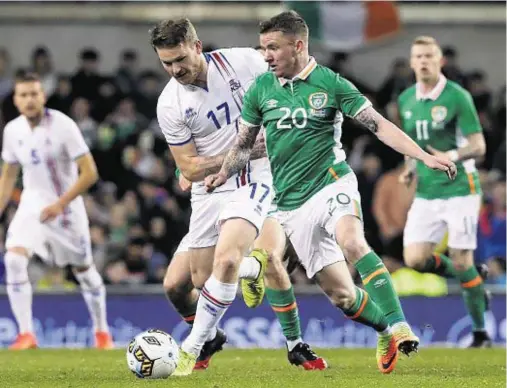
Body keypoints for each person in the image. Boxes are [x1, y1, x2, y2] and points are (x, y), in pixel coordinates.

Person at [206, 10, 458, 367]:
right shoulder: (261, 88)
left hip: (332, 182)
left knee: (353, 241)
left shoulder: (332, 84)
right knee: (342, 296)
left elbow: (379, 125)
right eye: (263, 48)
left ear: (298, 45)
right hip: (289, 203)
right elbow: (244, 144)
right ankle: (385, 331)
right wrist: (222, 172)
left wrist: (423, 156)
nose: (266, 56)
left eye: (273, 48)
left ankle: (401, 326)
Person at [151, 19, 326, 372]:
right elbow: (188, 168)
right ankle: (215, 330)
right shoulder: (170, 103)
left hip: (255, 179)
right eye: (166, 63)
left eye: (180, 59)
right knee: (182, 284)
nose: (175, 69)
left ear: (197, 47)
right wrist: (241, 151)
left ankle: (198, 347)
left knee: (227, 261)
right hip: (211, 189)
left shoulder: (244, 62)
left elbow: (297, 75)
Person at [0, 73, 113, 350]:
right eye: (23, 95)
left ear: (43, 96)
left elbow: (90, 173)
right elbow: (8, 176)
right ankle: (26, 334)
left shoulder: (63, 126)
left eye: (33, 94)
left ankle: (102, 333)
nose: (29, 100)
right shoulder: (12, 131)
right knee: (13, 259)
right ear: (15, 100)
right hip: (32, 205)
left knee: (85, 270)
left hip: (65, 208)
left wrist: (60, 204)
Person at [397, 36, 491, 348]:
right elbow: (411, 146)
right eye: (418, 56)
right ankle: (474, 279)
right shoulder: (407, 99)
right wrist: (410, 166)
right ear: (412, 63)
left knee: (461, 260)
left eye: (429, 56)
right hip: (427, 192)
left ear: (440, 61)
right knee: (415, 259)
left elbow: (479, 146)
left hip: (461, 189)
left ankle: (480, 334)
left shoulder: (457, 96)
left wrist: (448, 157)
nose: (423, 61)